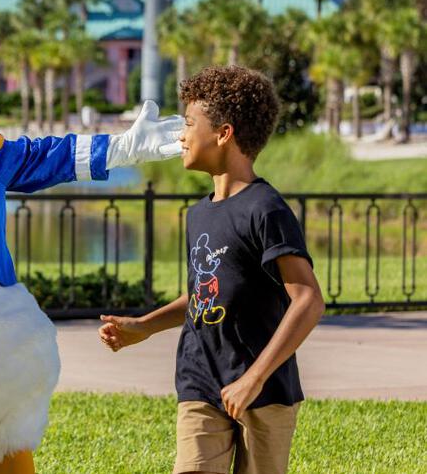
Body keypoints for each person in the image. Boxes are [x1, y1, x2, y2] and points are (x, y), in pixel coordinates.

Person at [99, 66, 326, 474]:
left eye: (189, 124)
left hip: (265, 389)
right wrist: (145, 326)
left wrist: (253, 379)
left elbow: (307, 299)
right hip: (200, 379)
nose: (181, 135)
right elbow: (206, 292)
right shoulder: (199, 214)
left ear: (224, 134)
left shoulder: (266, 209)